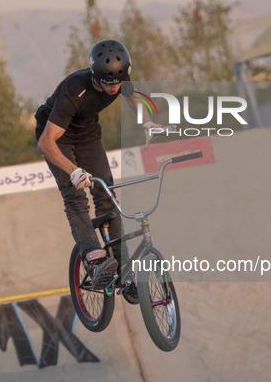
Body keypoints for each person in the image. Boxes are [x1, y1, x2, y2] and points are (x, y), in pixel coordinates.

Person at [35, 39, 172, 291]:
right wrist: (74, 171)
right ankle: (93, 258)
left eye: (118, 82)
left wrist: (147, 123)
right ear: (97, 76)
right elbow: (45, 142)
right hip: (55, 136)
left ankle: (124, 270)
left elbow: (131, 99)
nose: (114, 88)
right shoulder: (73, 90)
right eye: (109, 84)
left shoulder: (118, 76)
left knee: (106, 195)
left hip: (87, 133)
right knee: (75, 196)